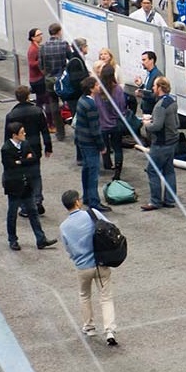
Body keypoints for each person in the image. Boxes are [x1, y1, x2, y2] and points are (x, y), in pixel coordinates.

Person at [59, 189, 118, 346]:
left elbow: (68, 248)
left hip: (82, 266)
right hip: (101, 262)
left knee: (84, 295)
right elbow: (110, 227)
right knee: (106, 297)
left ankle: (89, 327)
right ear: (77, 202)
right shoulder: (92, 214)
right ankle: (110, 331)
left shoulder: (64, 227)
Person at [0, 121, 55, 251]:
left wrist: (21, 161)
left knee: (33, 212)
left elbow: (33, 159)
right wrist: (25, 160)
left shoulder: (25, 144)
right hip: (14, 186)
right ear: (14, 135)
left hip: (26, 184)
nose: (24, 134)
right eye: (22, 132)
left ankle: (41, 239)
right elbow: (10, 165)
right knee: (12, 214)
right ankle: (12, 239)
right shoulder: (6, 148)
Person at [4, 85, 52, 217]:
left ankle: (26, 205)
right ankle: (37, 200)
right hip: (35, 148)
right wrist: (48, 147)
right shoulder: (37, 111)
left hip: (19, 152)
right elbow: (45, 130)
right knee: (36, 175)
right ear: (28, 96)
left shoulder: (11, 115)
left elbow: (7, 137)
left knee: (22, 177)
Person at [141, 75, 180, 211]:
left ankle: (155, 201)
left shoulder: (159, 106)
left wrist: (147, 124)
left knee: (153, 170)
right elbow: (176, 122)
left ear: (160, 87)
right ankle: (170, 199)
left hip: (161, 143)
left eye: (154, 86)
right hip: (172, 141)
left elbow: (156, 127)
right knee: (169, 170)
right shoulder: (171, 101)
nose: (152, 88)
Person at [73, 76, 110, 214]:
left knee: (86, 170)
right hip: (90, 143)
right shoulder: (91, 105)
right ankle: (94, 202)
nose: (99, 87)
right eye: (97, 85)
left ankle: (87, 197)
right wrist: (102, 146)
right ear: (91, 88)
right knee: (93, 173)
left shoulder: (82, 100)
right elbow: (95, 129)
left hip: (82, 140)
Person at [95, 63, 129, 182]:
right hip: (116, 124)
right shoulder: (118, 89)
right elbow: (122, 107)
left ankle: (107, 163)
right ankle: (118, 171)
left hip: (102, 123)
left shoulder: (98, 90)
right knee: (117, 147)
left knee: (105, 146)